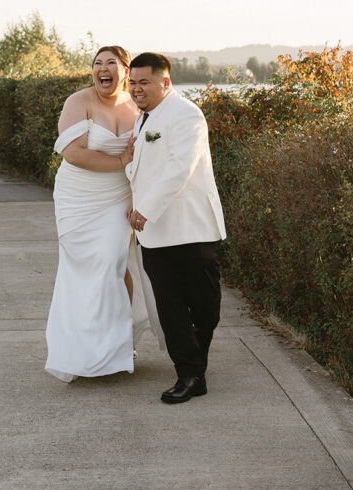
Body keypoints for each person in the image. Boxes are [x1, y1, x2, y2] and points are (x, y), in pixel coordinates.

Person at [45, 46, 162, 382]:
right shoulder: (77, 102)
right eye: (97, 64)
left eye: (111, 63)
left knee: (111, 261)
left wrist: (137, 192)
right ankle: (82, 348)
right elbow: (73, 154)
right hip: (77, 198)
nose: (103, 69)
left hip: (117, 197)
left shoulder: (136, 106)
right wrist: (120, 162)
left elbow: (148, 155)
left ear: (125, 72)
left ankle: (119, 341)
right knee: (83, 269)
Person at [126, 52, 226, 404]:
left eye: (144, 82)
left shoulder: (186, 114)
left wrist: (145, 209)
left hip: (190, 227)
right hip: (154, 232)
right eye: (132, 82)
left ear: (165, 82)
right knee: (169, 306)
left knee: (204, 304)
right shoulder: (142, 118)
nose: (136, 89)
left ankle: (195, 360)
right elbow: (145, 170)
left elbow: (180, 168)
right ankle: (190, 374)